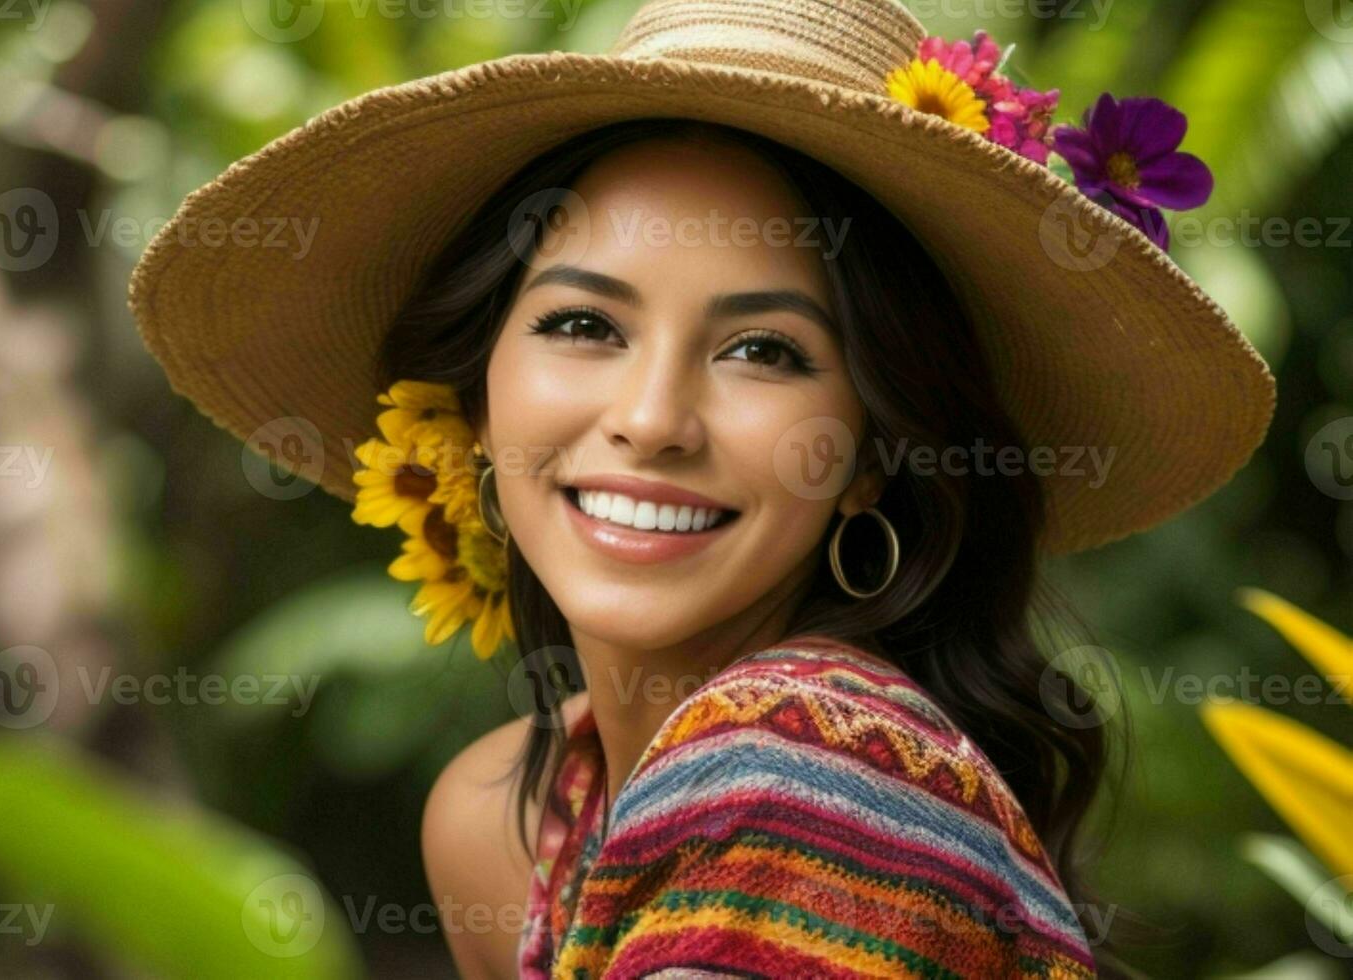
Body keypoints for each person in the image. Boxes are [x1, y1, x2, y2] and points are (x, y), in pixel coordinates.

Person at [127, 1, 1276, 977]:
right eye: (583, 324)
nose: (652, 418)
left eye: (764, 351)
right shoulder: (509, 820)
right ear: (473, 398)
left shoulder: (809, 769)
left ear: (877, 448)